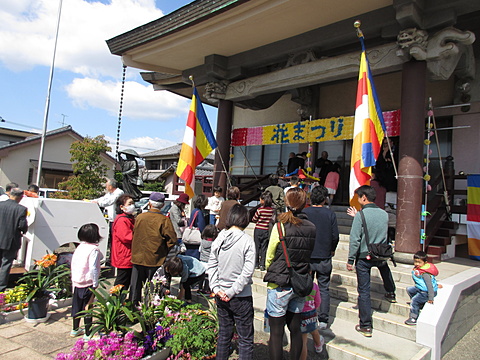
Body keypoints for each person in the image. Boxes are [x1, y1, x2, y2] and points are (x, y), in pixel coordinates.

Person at [263, 187, 316, 360]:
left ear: (286, 203)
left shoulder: (280, 226)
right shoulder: (311, 227)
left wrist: (271, 268)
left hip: (279, 282)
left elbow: (269, 255)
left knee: (276, 333)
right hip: (300, 281)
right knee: (296, 330)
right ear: (304, 203)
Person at [206, 203, 256, 360]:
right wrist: (232, 290)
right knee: (245, 339)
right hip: (240, 296)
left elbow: (211, 265)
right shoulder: (247, 241)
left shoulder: (219, 238)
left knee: (224, 335)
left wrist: (215, 287)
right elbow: (247, 272)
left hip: (220, 293)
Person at [346, 185, 396, 337]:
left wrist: (350, 259)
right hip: (380, 252)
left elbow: (355, 239)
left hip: (364, 255)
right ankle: (391, 292)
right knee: (384, 268)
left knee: (364, 291)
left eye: (358, 197)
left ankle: (366, 325)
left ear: (364, 198)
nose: (358, 200)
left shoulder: (361, 216)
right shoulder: (384, 214)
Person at [130, 192, 177, 305]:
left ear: (149, 204)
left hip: (138, 256)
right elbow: (172, 239)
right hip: (155, 258)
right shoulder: (164, 220)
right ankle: (151, 310)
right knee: (154, 287)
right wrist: (164, 250)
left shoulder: (140, 217)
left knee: (135, 286)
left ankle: (132, 309)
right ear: (162, 205)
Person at [303, 186, 339, 329]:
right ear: (325, 199)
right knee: (324, 287)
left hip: (308, 254)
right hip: (324, 255)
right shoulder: (330, 214)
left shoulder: (305, 212)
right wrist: (332, 249)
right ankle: (323, 319)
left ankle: (306, 312)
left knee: (307, 285)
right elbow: (335, 235)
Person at [70, 223, 104, 338]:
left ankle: (75, 329)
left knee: (77, 306)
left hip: (77, 281)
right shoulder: (93, 250)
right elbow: (93, 267)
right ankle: (88, 333)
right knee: (88, 307)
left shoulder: (79, 247)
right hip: (88, 282)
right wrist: (95, 283)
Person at [0, 188, 28, 291]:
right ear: (20, 197)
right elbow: (22, 226)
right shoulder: (21, 209)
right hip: (10, 241)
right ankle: (1, 288)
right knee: (6, 265)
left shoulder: (1, 205)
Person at [405, 251, 439, 326]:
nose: (417, 264)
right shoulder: (418, 269)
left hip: (427, 292)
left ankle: (413, 317)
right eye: (415, 261)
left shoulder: (425, 273)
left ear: (425, 262)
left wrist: (431, 298)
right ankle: (419, 303)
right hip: (420, 289)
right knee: (409, 289)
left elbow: (429, 285)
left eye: (419, 262)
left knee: (414, 301)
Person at [111, 194, 135, 290]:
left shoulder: (129, 218)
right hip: (124, 255)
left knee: (126, 281)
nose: (132, 205)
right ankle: (115, 302)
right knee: (122, 282)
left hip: (128, 254)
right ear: (121, 206)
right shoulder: (122, 220)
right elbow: (127, 237)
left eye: (133, 203)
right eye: (130, 203)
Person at [300, 281, 325, 360]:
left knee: (303, 340)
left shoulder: (298, 284)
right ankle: (318, 345)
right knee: (314, 330)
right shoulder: (314, 285)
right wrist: (314, 308)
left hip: (301, 312)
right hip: (311, 311)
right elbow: (318, 301)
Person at [251, 190, 275, 270]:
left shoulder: (260, 210)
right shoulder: (271, 210)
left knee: (257, 246)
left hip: (258, 229)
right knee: (264, 248)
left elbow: (254, 219)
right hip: (266, 229)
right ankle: (262, 264)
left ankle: (256, 263)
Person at [185, 194, 208, 259]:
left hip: (190, 237)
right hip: (196, 239)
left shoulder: (194, 210)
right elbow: (201, 226)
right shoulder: (199, 212)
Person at [199, 224, 219, 295]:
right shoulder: (214, 243)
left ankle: (200, 288)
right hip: (209, 262)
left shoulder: (202, 241)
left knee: (202, 276)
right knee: (208, 277)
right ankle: (206, 289)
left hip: (202, 261)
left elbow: (200, 250)